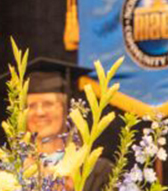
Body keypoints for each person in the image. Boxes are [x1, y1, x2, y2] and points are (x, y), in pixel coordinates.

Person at [17, 58, 113, 190]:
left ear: (65, 109)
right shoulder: (12, 172)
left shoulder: (96, 171)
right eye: (31, 106)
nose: (39, 112)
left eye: (48, 104)